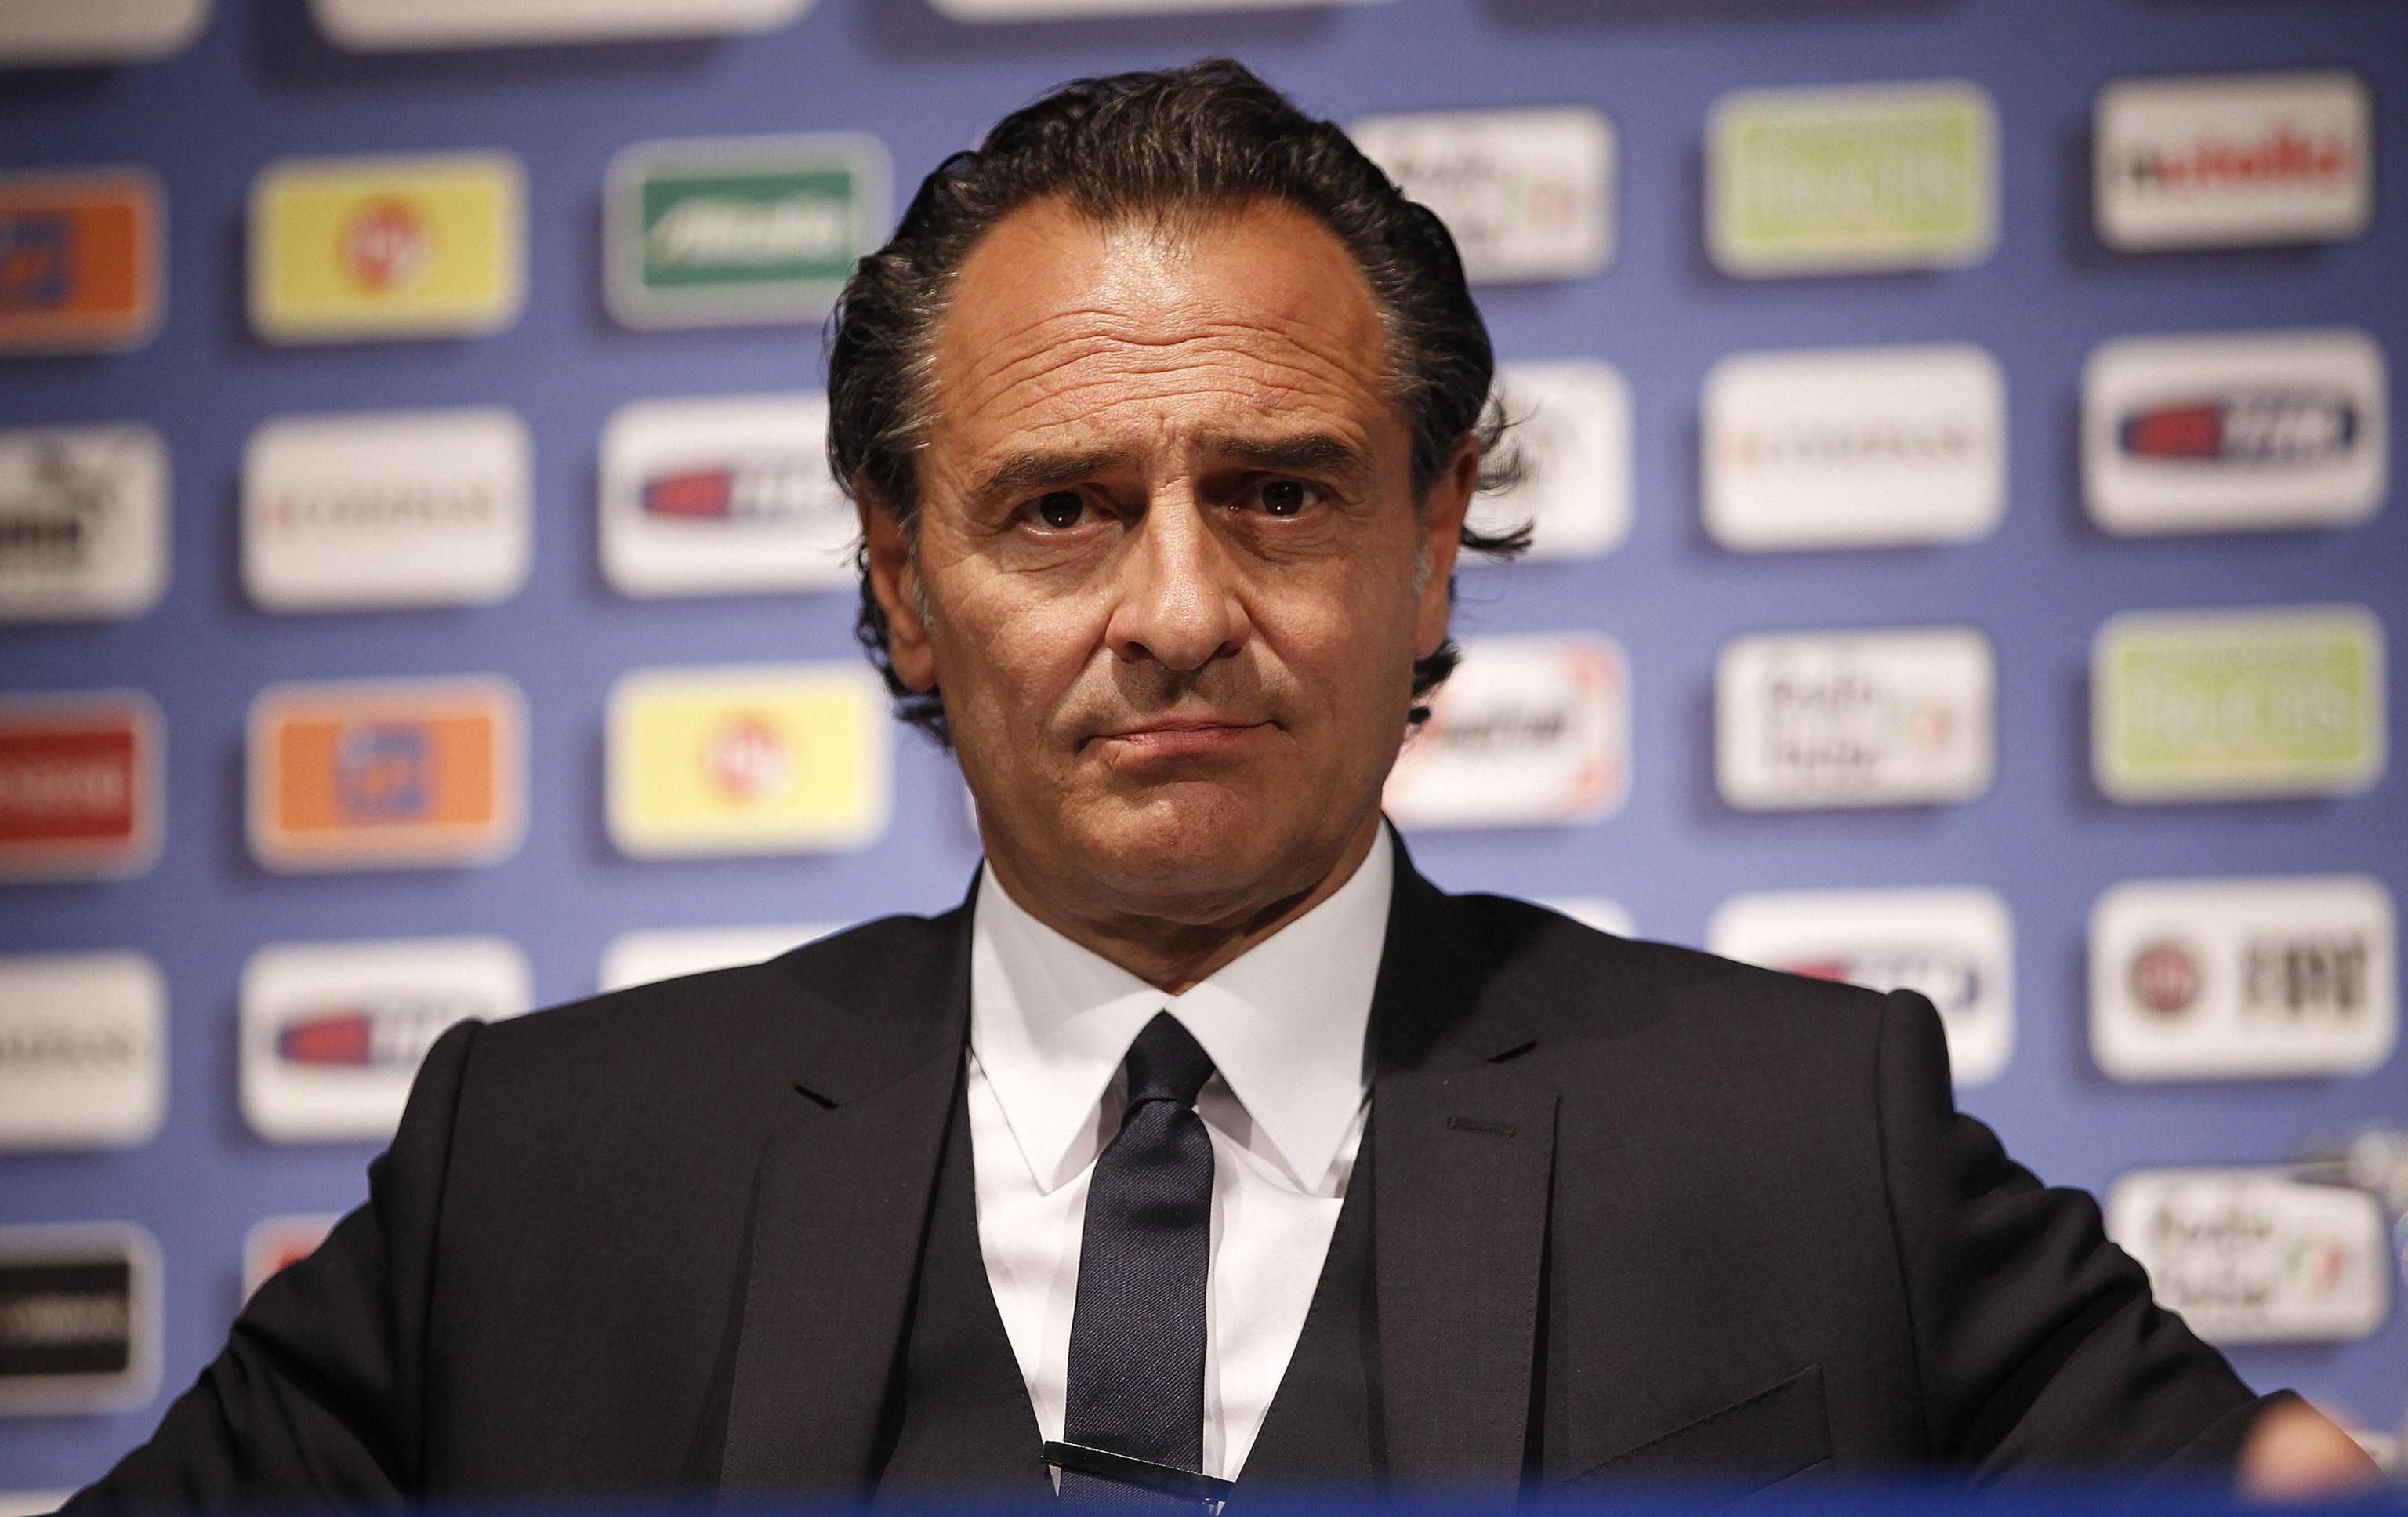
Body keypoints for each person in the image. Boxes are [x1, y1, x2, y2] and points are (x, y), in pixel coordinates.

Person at [63, 60, 2375, 1511]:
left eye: (1275, 491)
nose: (1177, 605)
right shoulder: (547, 1166)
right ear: (900, 577)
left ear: (1429, 537)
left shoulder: (1810, 1132)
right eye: (1060, 508)